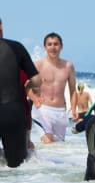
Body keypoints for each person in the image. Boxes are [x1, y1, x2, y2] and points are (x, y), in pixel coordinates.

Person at [0, 18, 41, 167]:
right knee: (17, 168)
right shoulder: (16, 47)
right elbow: (37, 80)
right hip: (13, 113)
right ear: (1, 27)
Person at [29, 32, 77, 143]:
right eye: (49, 44)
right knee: (48, 142)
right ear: (45, 47)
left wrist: (74, 109)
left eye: (56, 44)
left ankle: (36, 160)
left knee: (57, 147)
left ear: (61, 46)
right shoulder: (38, 65)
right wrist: (35, 99)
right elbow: (26, 87)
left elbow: (73, 90)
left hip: (60, 112)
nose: (53, 47)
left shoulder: (68, 66)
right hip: (42, 109)